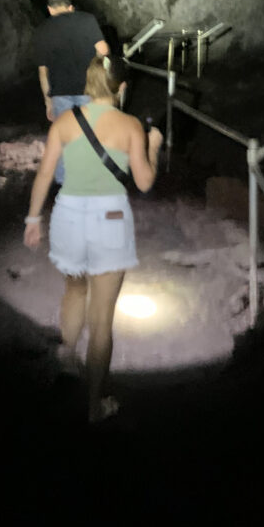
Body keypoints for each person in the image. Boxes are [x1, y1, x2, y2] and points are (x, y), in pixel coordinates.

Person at [24, 55, 163, 423]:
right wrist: (153, 147)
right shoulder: (131, 125)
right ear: (122, 87)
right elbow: (145, 182)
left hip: (69, 215)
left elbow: (44, 174)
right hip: (110, 220)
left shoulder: (66, 121)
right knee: (101, 319)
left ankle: (67, 355)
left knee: (74, 289)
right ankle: (93, 405)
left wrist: (33, 218)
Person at [34, 0, 110, 184]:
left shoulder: (42, 30)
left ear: (50, 9)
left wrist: (47, 101)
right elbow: (104, 50)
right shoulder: (86, 20)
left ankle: (63, 181)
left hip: (60, 92)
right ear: (71, 7)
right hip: (88, 89)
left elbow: (43, 71)